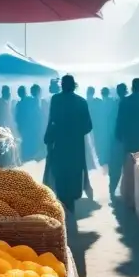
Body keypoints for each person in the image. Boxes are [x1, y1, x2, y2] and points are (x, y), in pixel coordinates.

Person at [43, 75, 92, 212]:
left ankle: (63, 201)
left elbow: (52, 121)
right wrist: (76, 131)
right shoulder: (82, 102)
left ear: (62, 85)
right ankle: (71, 201)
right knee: (75, 172)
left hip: (60, 144)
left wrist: (49, 138)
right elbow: (88, 126)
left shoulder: (56, 100)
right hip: (76, 145)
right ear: (74, 85)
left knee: (61, 172)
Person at [114, 78, 139, 198]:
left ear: (132, 87)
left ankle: (127, 192)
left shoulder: (125, 101)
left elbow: (119, 120)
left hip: (128, 138)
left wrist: (118, 135)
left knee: (127, 165)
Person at [108, 83, 131, 196]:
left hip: (116, 138)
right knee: (125, 165)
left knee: (116, 165)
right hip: (125, 138)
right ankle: (122, 190)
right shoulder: (128, 102)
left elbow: (110, 120)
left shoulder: (114, 103)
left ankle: (113, 189)